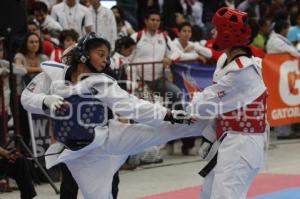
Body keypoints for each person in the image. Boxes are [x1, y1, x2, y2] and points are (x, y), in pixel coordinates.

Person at [21, 32, 211, 199]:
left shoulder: (102, 83)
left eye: (107, 56)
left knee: (162, 130)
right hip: (84, 157)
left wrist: (169, 114)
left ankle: (210, 123)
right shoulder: (52, 75)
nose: (106, 60)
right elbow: (27, 98)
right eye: (100, 54)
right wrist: (45, 102)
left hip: (111, 137)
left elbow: (132, 105)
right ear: (84, 54)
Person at [187, 7, 268, 198]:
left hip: (242, 144)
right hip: (227, 137)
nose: (212, 32)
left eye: (216, 29)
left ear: (228, 35)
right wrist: (209, 136)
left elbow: (203, 105)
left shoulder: (242, 72)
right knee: (207, 194)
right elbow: (217, 104)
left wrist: (194, 99)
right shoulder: (225, 60)